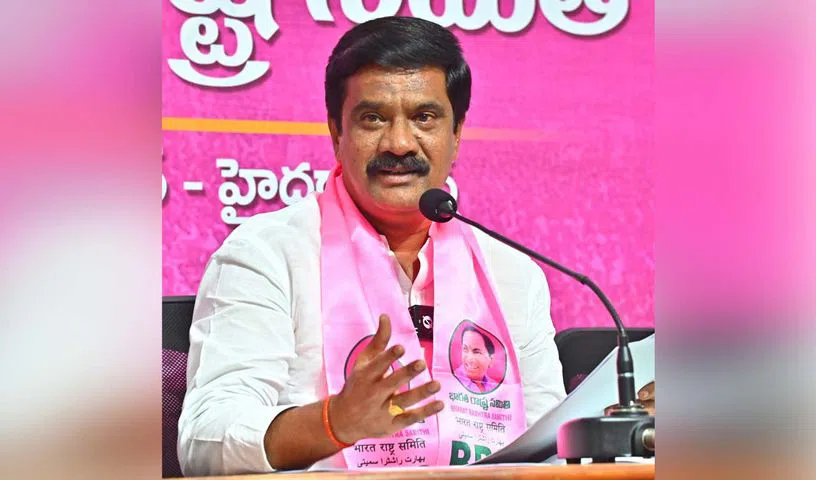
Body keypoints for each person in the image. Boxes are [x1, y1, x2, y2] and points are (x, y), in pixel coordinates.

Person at [177, 16, 570, 476]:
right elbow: (206, 441)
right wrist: (333, 423)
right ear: (336, 132)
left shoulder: (511, 272)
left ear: (457, 133)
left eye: (424, 118)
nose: (399, 144)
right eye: (373, 118)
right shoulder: (266, 254)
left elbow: (552, 443)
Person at [454, 325, 500, 393]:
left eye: (476, 352)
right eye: (465, 349)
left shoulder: (495, 388)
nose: (469, 359)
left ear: (491, 359)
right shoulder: (451, 381)